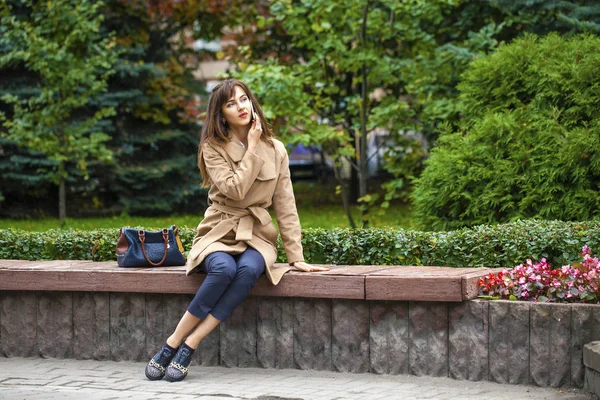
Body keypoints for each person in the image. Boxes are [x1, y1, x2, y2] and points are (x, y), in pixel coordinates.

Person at [145, 78, 328, 382]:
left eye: (244, 99)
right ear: (221, 114)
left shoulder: (277, 149)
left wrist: (296, 256)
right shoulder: (212, 148)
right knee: (223, 270)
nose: (241, 107)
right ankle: (170, 344)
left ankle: (190, 345)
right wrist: (253, 146)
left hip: (257, 235)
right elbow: (236, 191)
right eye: (231, 103)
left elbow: (285, 204)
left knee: (247, 272)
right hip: (220, 229)